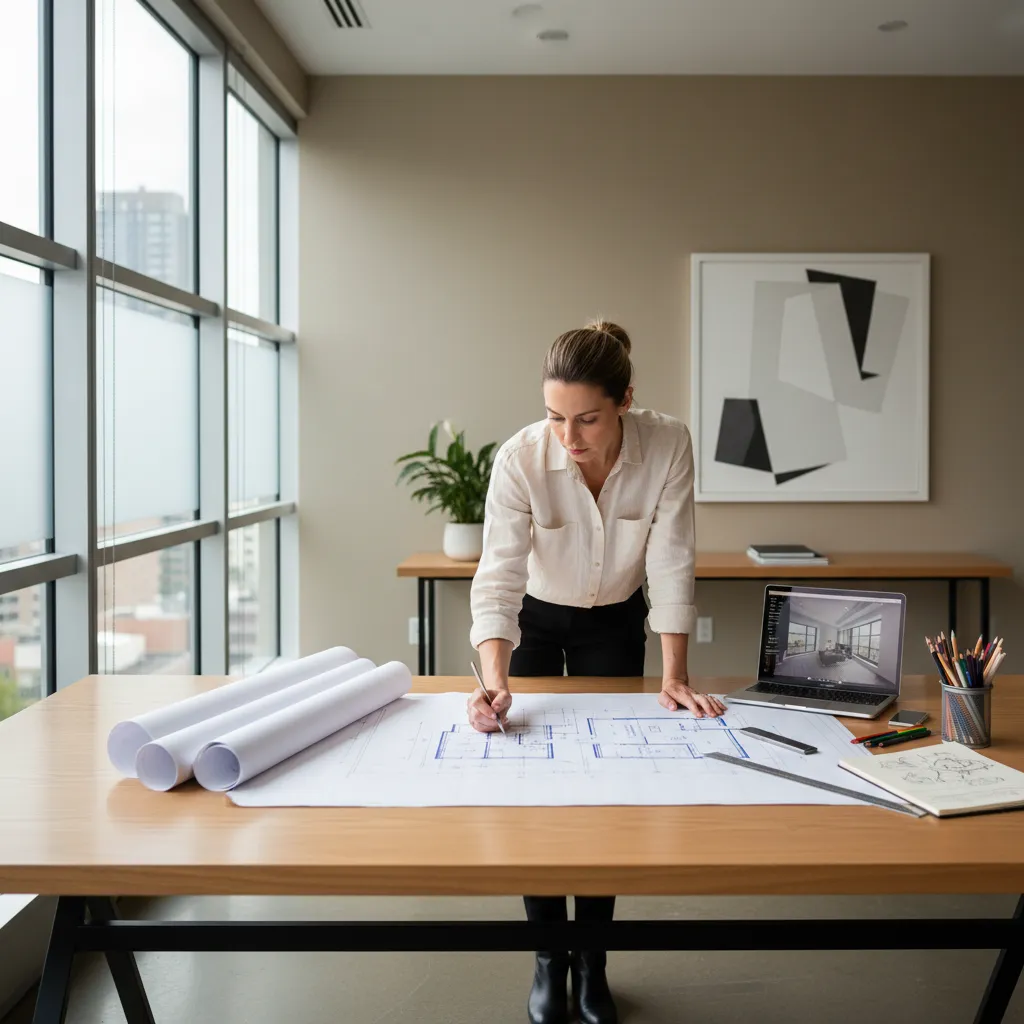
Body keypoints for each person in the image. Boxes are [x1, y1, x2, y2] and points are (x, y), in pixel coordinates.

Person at [467, 320, 726, 1024]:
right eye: (555, 417)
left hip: (614, 620)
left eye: (587, 418)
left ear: (625, 401)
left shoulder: (668, 443)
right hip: (537, 621)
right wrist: (495, 677)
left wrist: (675, 673)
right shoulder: (521, 458)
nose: (570, 437)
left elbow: (674, 559)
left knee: (611, 789)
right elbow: (497, 578)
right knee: (534, 788)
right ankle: (550, 958)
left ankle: (594, 961)